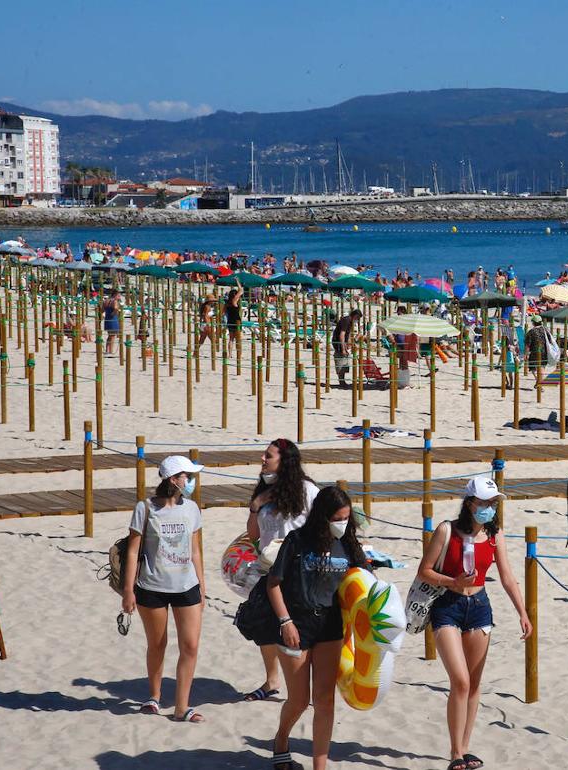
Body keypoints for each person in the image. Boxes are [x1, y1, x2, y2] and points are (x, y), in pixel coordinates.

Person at [416, 477, 532, 770]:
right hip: (447, 607)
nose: (489, 508)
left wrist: (523, 613)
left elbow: (507, 576)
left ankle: (466, 748)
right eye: (484, 503)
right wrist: (453, 582)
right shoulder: (446, 530)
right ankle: (455, 752)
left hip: (479, 607)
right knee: (460, 681)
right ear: (469, 503)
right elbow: (424, 570)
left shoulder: (495, 535)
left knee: (475, 683)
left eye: (493, 503)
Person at [265, 485, 370, 770]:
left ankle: (319, 766)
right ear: (322, 516)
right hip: (296, 623)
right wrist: (285, 621)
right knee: (299, 701)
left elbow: (364, 582)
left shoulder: (348, 544)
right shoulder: (298, 540)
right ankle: (281, 739)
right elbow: (273, 583)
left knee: (324, 701)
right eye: (337, 518)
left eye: (347, 517)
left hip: (331, 626)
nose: (343, 523)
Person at [120, 455, 207, 722]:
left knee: (190, 646)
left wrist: (203, 588)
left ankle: (182, 706)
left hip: (186, 585)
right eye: (187, 477)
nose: (190, 481)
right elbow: (133, 551)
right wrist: (128, 589)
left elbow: (195, 551)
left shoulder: (191, 508)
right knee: (158, 644)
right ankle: (154, 696)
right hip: (152, 585)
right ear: (173, 479)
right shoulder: (145, 508)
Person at [243, 439, 321, 702]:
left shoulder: (307, 490)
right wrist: (256, 505)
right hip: (268, 569)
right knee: (264, 625)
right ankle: (271, 680)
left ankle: (302, 689)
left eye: (268, 456)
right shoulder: (263, 491)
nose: (263, 460)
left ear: (284, 461)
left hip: (299, 572)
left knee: (297, 629)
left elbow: (320, 525)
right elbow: (253, 534)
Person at [331, 308, 361, 387]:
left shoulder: (350, 321)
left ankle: (342, 381)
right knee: (341, 361)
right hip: (338, 342)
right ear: (355, 316)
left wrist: (349, 343)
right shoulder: (346, 320)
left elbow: (348, 334)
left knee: (345, 362)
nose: (357, 320)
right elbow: (342, 335)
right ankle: (341, 381)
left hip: (343, 342)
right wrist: (343, 348)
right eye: (357, 318)